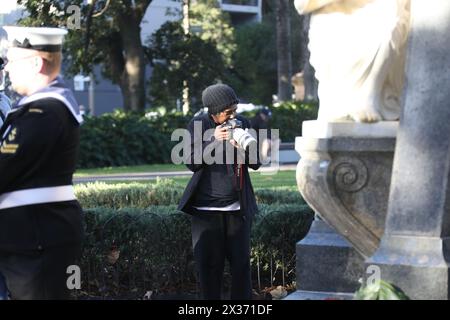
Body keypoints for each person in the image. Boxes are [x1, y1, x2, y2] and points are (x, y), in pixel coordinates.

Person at [0, 26, 84, 300]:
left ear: (36, 63)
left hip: (37, 239)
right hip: (35, 237)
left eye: (12, 60)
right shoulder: (38, 108)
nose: (7, 68)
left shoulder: (44, 111)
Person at [178, 83, 261, 300]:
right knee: (208, 268)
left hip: (237, 208)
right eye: (228, 112)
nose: (234, 115)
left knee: (241, 266)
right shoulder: (198, 124)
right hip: (205, 210)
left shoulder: (242, 123)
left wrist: (246, 146)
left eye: (235, 109)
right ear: (213, 112)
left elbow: (256, 163)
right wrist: (213, 139)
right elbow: (191, 162)